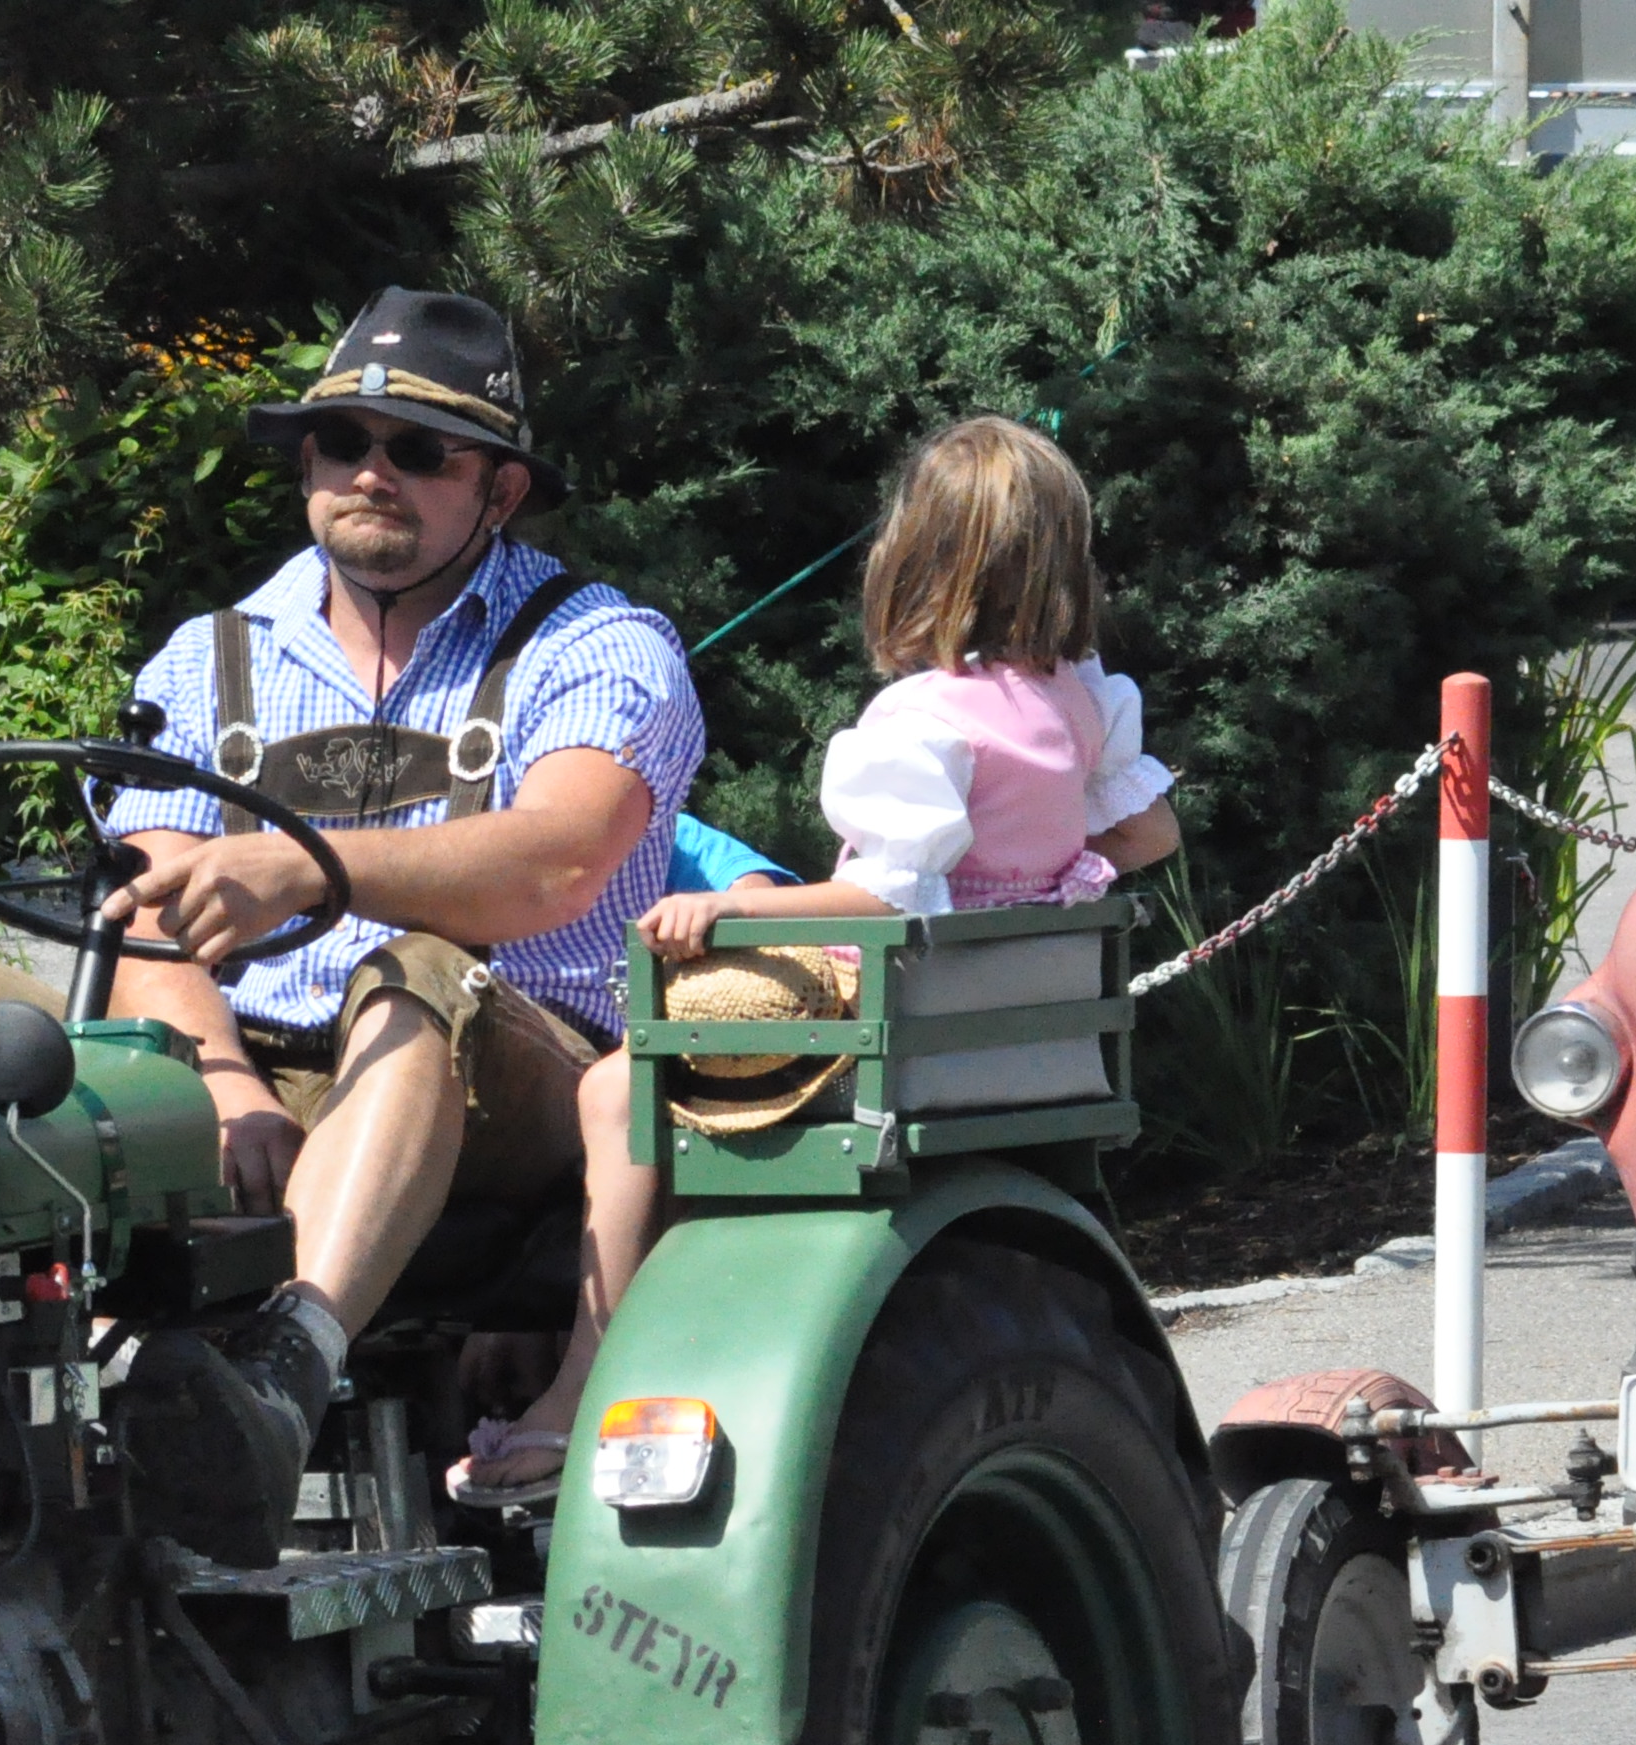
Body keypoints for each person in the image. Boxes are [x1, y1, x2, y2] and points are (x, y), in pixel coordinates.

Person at [0, 288, 704, 1558]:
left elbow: (552, 865)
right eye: (339, 442)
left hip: (514, 1079)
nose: (370, 473)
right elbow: (147, 904)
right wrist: (222, 1081)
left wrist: (306, 872)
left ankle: (278, 1382)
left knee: (412, 972)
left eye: (419, 449)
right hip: (247, 1069)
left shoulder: (598, 643)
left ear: (500, 490)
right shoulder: (206, 658)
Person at [455, 414, 1178, 1507]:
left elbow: (887, 895)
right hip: (992, 1016)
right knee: (679, 1039)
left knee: (615, 1086)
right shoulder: (1083, 699)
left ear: (916, 556)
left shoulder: (922, 720)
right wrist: (1048, 871)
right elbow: (1147, 834)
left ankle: (580, 1377)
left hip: (890, 1013)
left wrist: (719, 910)